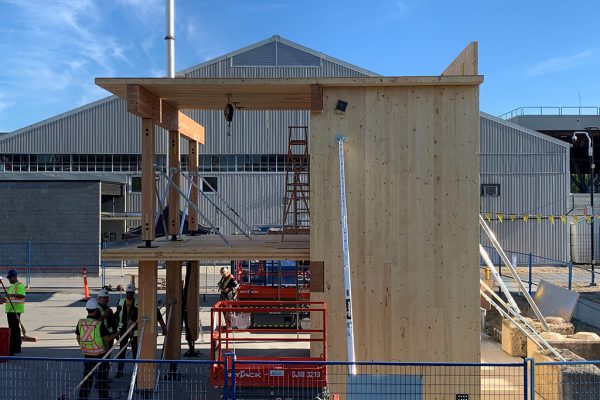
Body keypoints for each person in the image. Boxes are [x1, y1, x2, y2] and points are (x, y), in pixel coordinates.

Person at [114, 283, 167, 378]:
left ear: (134, 293)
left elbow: (160, 319)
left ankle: (137, 371)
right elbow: (117, 316)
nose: (129, 294)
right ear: (126, 292)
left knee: (136, 352)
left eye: (131, 293)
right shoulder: (121, 302)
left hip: (134, 331)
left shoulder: (139, 304)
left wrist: (164, 329)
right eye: (128, 293)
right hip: (123, 330)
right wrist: (117, 330)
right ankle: (120, 370)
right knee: (122, 351)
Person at [75, 298, 118, 400]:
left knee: (87, 377)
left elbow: (78, 337)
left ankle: (83, 397)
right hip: (100, 354)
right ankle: (103, 397)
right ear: (96, 310)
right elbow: (107, 339)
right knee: (102, 378)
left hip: (87, 354)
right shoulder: (99, 325)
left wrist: (83, 346)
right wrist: (117, 333)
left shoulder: (81, 323)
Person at [0, 270, 26, 355]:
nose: (9, 280)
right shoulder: (12, 286)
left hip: (15, 310)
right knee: (14, 329)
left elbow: (22, 296)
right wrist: (3, 300)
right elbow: (10, 299)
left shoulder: (19, 285)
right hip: (10, 310)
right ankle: (16, 347)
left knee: (14, 330)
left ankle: (14, 348)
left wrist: (10, 295)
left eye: (10, 278)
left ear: (14, 277)